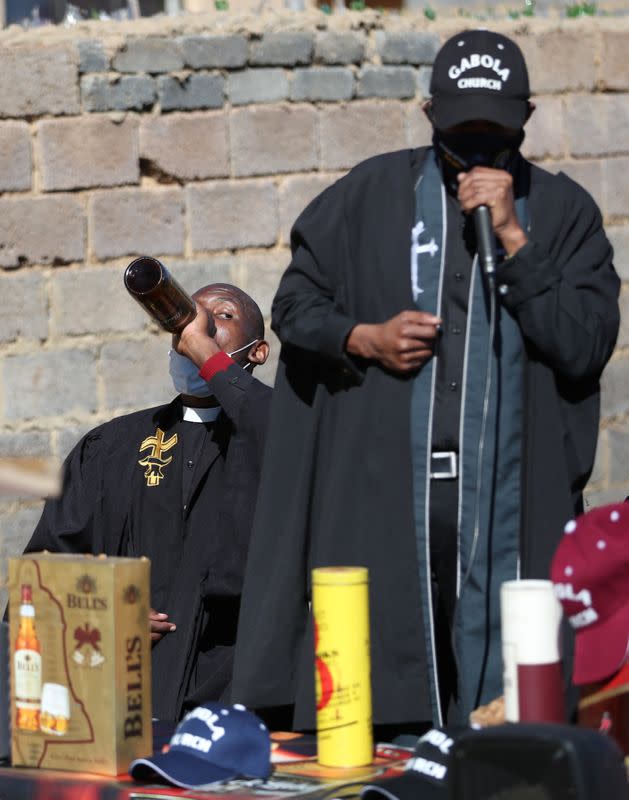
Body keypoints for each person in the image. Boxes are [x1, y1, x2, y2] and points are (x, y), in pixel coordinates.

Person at [231, 30, 620, 732]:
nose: (476, 150)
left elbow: (583, 344)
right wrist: (362, 338)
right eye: (460, 130)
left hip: (505, 509)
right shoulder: (368, 195)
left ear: (525, 119)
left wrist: (513, 240)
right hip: (386, 500)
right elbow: (295, 304)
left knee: (503, 705)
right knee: (387, 697)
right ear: (428, 114)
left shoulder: (562, 214)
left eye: (493, 132)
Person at [25, 282, 271, 722]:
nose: (203, 323)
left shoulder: (281, 441)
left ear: (258, 352)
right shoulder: (111, 446)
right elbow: (44, 573)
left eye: (224, 316)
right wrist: (104, 612)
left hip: (240, 699)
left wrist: (208, 356)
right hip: (122, 697)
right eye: (193, 315)